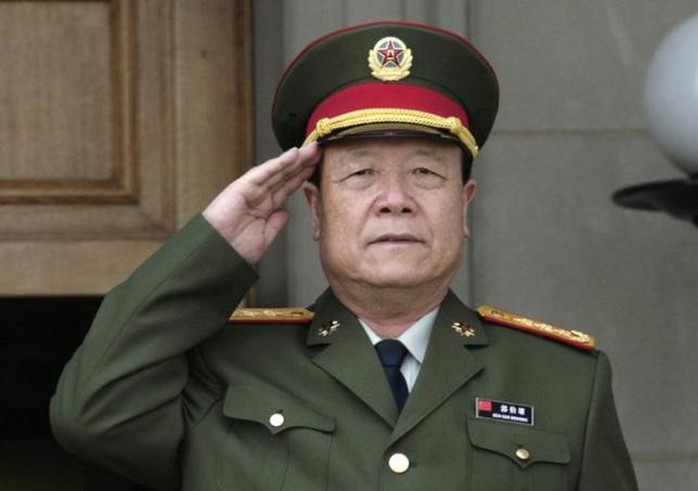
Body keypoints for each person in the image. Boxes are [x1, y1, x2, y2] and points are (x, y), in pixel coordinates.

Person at [50, 21, 638, 490]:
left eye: (425, 173)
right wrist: (213, 247)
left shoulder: (565, 382)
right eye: (360, 175)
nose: (395, 201)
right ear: (314, 208)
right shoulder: (220, 367)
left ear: (464, 206)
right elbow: (91, 415)